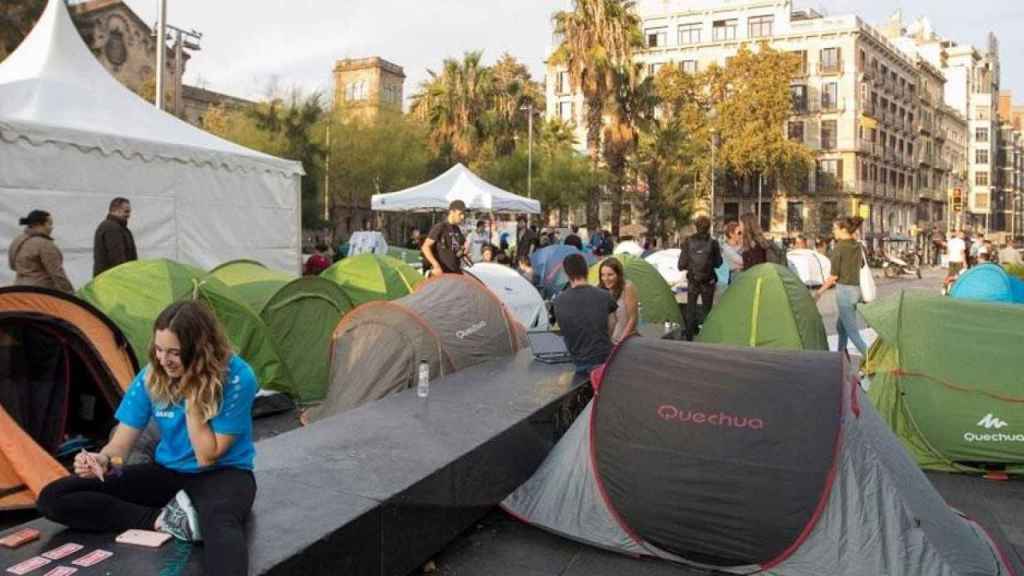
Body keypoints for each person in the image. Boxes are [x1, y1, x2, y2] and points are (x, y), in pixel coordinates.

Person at [37, 301, 258, 575]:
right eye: (159, 349)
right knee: (54, 496)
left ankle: (187, 519)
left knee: (219, 524)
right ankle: (163, 520)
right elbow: (121, 446)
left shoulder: (237, 377)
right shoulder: (151, 376)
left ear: (200, 350)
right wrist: (103, 460)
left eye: (175, 353)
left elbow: (206, 456)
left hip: (224, 474)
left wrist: (192, 393)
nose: (164, 360)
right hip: (167, 472)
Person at [553, 253, 618, 375]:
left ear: (567, 274)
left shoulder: (558, 302)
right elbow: (613, 322)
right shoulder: (604, 295)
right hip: (604, 359)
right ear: (587, 270)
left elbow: (564, 330)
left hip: (578, 361)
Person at [817, 216, 869, 358]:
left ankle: (872, 359)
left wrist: (819, 292)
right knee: (841, 326)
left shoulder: (839, 248)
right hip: (856, 291)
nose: (833, 231)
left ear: (843, 229)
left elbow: (834, 277)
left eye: (835, 228)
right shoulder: (858, 245)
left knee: (852, 331)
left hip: (845, 292)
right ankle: (841, 355)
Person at [678, 215, 723, 341]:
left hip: (693, 280)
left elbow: (681, 265)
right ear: (709, 227)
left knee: (690, 308)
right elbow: (719, 263)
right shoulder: (713, 243)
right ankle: (707, 336)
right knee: (707, 310)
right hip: (708, 281)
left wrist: (692, 266)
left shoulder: (688, 242)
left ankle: (689, 335)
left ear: (695, 227)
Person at [8, 209, 73, 293]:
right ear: (39, 225)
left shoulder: (17, 241)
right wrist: (70, 293)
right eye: (49, 224)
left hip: (19, 290)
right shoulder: (45, 244)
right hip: (41, 293)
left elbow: (12, 265)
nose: (52, 227)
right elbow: (57, 273)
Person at [93, 197, 138, 277]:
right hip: (113, 280)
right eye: (126, 211)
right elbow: (117, 259)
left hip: (110, 279)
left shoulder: (117, 228)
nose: (129, 215)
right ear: (115, 210)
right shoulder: (112, 229)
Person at [598, 258, 639, 344]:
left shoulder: (627, 287)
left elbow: (633, 318)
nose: (606, 278)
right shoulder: (601, 290)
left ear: (618, 274)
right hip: (608, 343)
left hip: (626, 342)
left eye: (610, 275)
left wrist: (621, 342)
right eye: (603, 275)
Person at [422, 200, 467, 276]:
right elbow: (425, 247)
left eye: (463, 214)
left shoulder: (457, 229)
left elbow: (455, 252)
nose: (462, 217)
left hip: (455, 272)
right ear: (452, 212)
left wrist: (462, 252)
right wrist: (436, 265)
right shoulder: (440, 227)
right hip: (442, 273)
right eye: (460, 214)